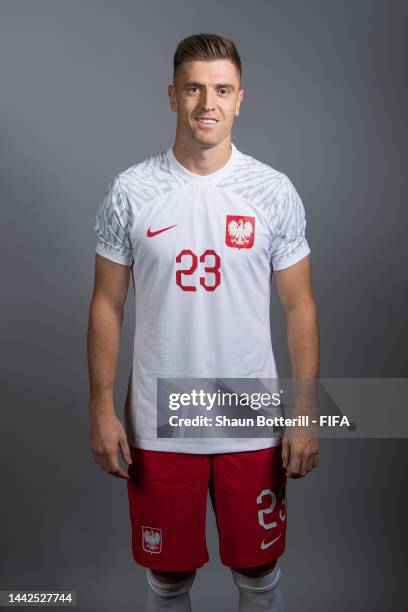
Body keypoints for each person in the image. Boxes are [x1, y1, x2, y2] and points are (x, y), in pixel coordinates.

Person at [87, 32, 320, 612]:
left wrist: (306, 409)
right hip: (160, 422)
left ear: (241, 98)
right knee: (168, 580)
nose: (207, 103)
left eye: (221, 89)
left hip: (252, 418)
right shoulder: (131, 191)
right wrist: (100, 408)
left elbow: (300, 306)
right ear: (172, 96)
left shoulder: (272, 191)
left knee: (259, 572)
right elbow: (106, 306)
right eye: (194, 88)